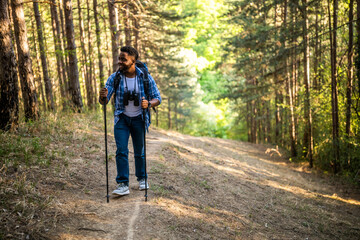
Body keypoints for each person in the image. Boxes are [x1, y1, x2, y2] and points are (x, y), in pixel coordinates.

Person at [99, 46, 161, 196]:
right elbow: (104, 101)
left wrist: (149, 104)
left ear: (133, 60)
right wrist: (102, 96)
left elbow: (157, 98)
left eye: (123, 59)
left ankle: (142, 179)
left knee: (139, 152)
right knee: (121, 151)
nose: (119, 61)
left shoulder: (144, 76)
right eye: (119, 58)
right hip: (122, 118)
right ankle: (122, 184)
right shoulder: (115, 77)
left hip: (139, 118)